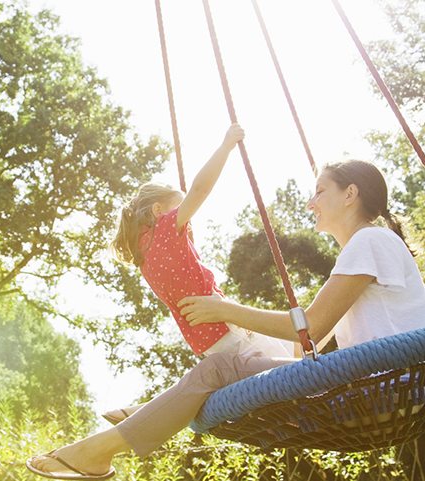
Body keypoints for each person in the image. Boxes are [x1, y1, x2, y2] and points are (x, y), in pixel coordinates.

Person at [26, 160, 425, 480]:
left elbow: (306, 327)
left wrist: (224, 311)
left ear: (350, 194)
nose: (310, 202)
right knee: (221, 371)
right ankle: (134, 424)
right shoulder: (364, 250)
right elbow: (301, 346)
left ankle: (97, 452)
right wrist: (236, 329)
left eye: (319, 191)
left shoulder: (370, 240)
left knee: (219, 368)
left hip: (385, 387)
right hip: (377, 386)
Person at [101, 124, 293, 425]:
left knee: (261, 379)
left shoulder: (144, 259)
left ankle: (143, 409)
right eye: (178, 209)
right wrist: (226, 145)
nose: (186, 217)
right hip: (226, 325)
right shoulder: (166, 228)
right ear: (157, 211)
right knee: (299, 370)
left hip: (207, 340)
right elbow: (200, 188)